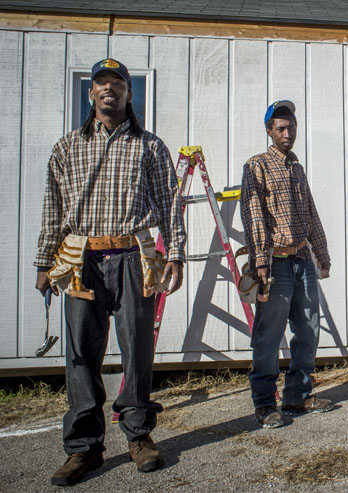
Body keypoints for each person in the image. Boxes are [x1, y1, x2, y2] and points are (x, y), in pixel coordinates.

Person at [34, 58, 186, 486]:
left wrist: (175, 254)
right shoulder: (66, 148)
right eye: (101, 83)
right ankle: (84, 449)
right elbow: (53, 210)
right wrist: (45, 261)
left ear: (128, 93)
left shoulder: (150, 146)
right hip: (81, 260)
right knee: (81, 353)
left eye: (117, 83)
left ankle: (139, 437)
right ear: (90, 93)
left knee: (138, 349)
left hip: (134, 257)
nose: (109, 90)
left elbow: (170, 205)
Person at [240, 100, 333, 429]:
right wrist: (260, 262)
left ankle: (297, 395)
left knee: (308, 329)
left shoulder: (297, 167)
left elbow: (310, 212)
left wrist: (322, 255)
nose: (287, 132)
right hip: (274, 264)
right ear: (269, 131)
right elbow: (252, 216)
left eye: (291, 126)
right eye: (280, 127)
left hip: (302, 259)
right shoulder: (257, 165)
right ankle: (265, 404)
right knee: (268, 335)